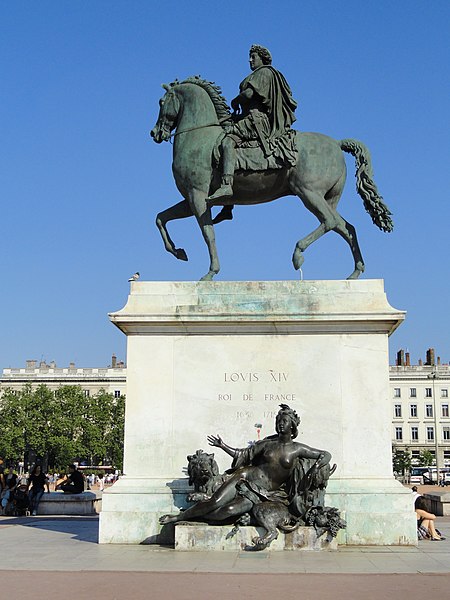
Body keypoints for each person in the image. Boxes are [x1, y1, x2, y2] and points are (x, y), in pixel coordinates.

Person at [160, 404, 331, 525]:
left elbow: (325, 455)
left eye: (284, 421)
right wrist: (222, 446)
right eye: (278, 420)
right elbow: (244, 454)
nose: (280, 423)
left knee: (227, 510)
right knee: (215, 502)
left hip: (262, 494)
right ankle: (179, 517)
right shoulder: (267, 444)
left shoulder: (298, 449)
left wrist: (316, 467)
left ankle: (199, 516)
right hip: (244, 478)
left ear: (292, 426)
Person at [209, 44, 298, 221]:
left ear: (262, 58)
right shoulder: (257, 74)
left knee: (227, 142)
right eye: (250, 57)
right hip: (247, 118)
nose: (250, 60)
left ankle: (226, 185)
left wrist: (235, 100)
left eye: (253, 57)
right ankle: (227, 207)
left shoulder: (265, 72)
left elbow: (249, 94)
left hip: (256, 121)